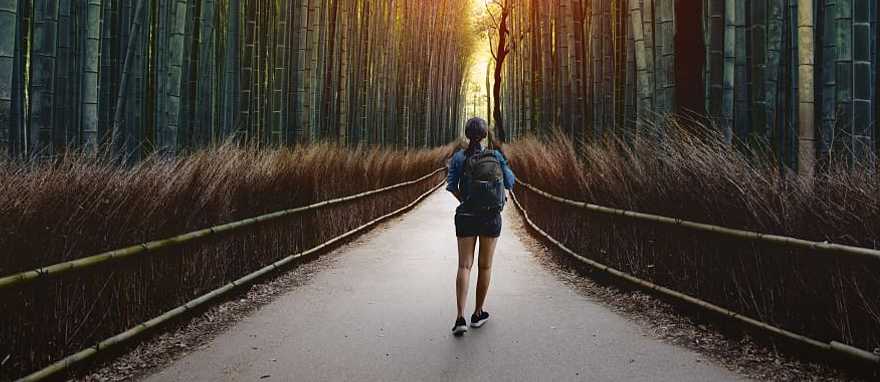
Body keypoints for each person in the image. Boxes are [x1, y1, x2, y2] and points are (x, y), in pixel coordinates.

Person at [446, 117, 515, 336]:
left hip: (466, 215)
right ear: (485, 135)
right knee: (485, 267)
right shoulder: (495, 156)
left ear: (467, 134)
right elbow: (511, 182)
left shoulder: (458, 157)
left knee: (464, 266)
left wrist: (465, 201)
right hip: (490, 217)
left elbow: (451, 186)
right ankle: (477, 313)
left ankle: (460, 319)